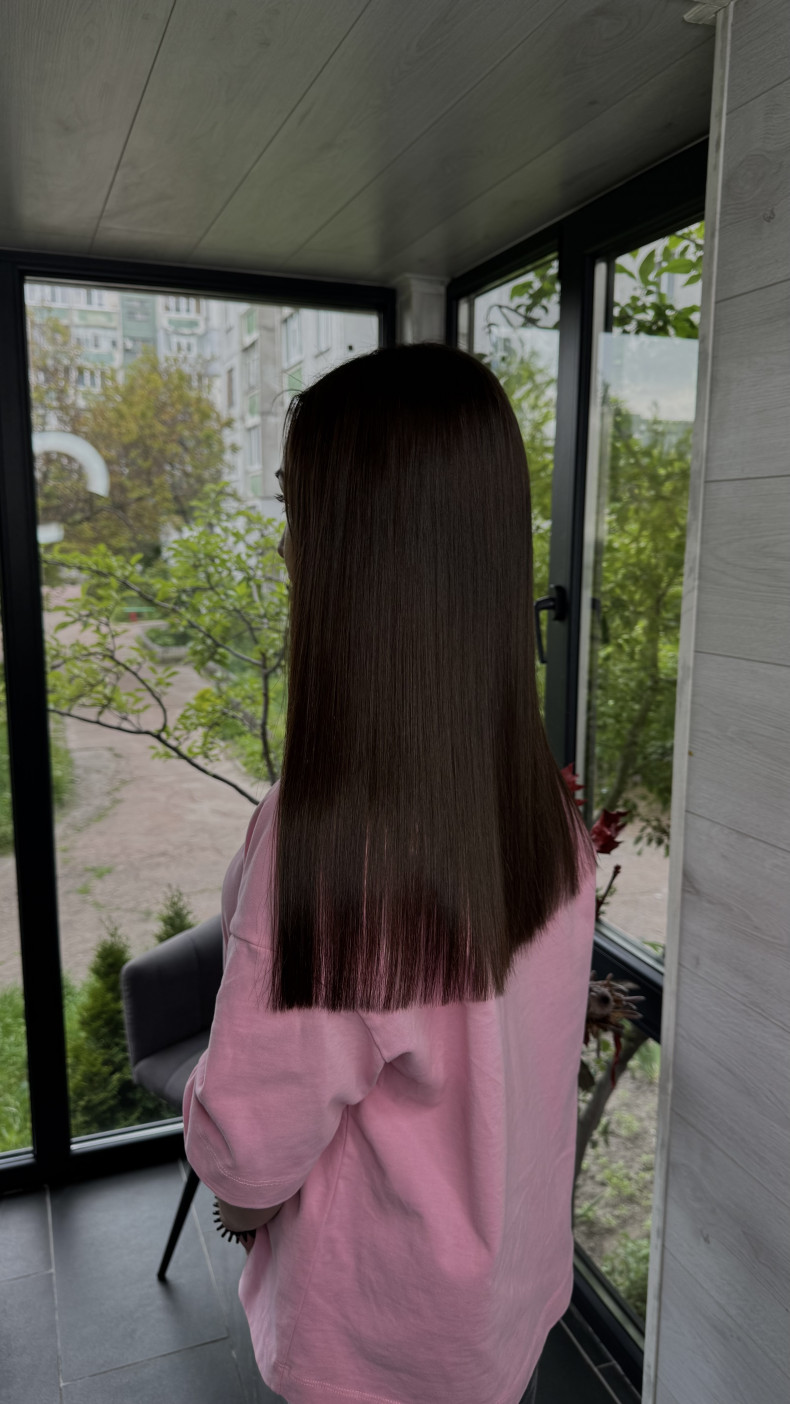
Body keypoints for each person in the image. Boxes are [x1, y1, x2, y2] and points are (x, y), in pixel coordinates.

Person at [183, 341, 597, 1404]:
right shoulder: (539, 806)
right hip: (500, 1309)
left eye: (299, 508)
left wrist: (236, 1208)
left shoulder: (332, 839)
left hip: (375, 1347)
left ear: (364, 548)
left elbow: (246, 1155)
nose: (287, 546)